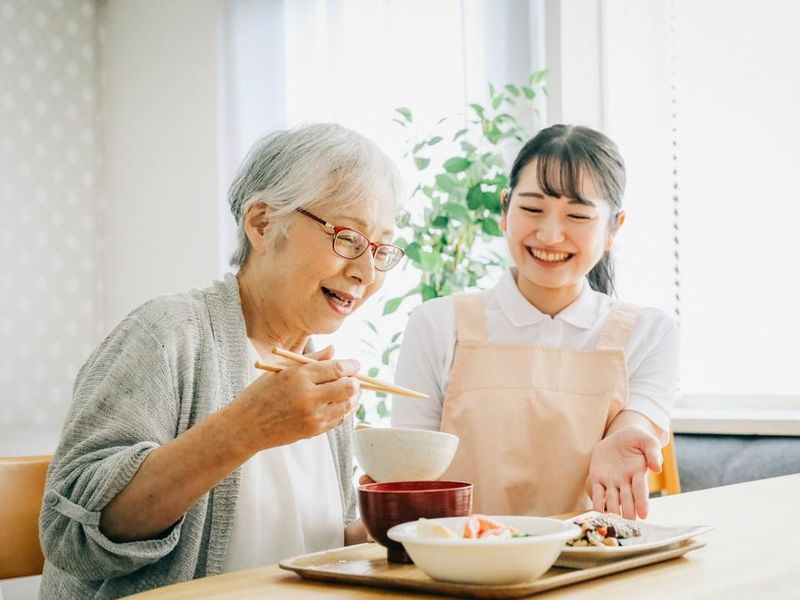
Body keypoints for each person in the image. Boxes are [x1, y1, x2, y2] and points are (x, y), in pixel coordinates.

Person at [38, 123, 406, 598]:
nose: (367, 271)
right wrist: (245, 429)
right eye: (349, 238)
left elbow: (307, 544)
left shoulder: (319, 373)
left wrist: (378, 528)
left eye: (380, 249)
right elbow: (73, 537)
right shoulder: (166, 333)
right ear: (262, 223)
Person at [391, 124, 678, 520]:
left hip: (592, 565)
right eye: (531, 208)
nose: (550, 234)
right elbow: (411, 474)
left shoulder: (650, 331)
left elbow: (638, 420)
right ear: (504, 209)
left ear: (614, 228)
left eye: (577, 215)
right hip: (458, 564)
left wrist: (628, 436)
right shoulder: (436, 324)